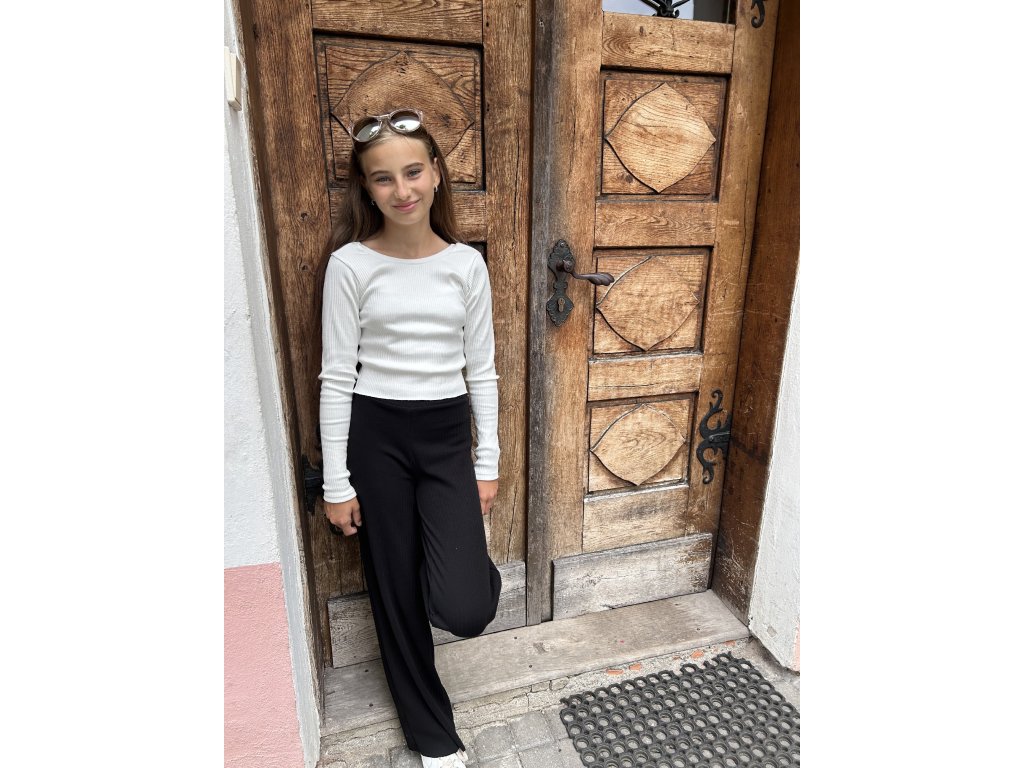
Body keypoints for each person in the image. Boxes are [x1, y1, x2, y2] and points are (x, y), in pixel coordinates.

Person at [314, 108, 503, 768]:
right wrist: (336, 483)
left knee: (467, 607)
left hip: (446, 433)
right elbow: (336, 376)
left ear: (437, 174)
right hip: (377, 435)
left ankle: (454, 562)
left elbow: (482, 368)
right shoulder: (350, 266)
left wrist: (488, 462)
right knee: (393, 591)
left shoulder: (466, 265)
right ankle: (433, 738)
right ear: (367, 189)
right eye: (383, 178)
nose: (402, 190)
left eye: (413, 171)